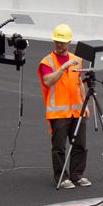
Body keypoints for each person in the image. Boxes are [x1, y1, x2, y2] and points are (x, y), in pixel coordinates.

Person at [38, 23, 91, 190]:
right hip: (58, 113)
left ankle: (77, 175)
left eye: (63, 42)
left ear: (69, 42)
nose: (60, 45)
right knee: (59, 147)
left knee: (80, 145)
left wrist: (85, 105)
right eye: (57, 42)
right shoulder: (47, 61)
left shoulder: (77, 60)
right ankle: (61, 177)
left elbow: (80, 83)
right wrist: (62, 68)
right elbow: (48, 81)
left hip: (77, 110)